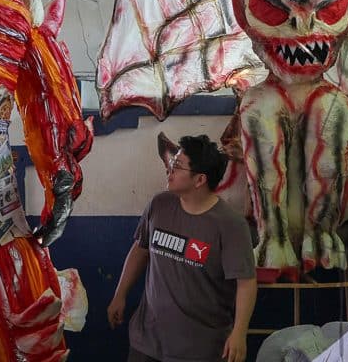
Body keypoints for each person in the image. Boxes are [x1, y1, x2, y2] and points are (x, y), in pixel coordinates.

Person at [108, 134, 258, 362]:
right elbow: (140, 249)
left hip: (200, 349)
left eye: (177, 166)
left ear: (200, 180)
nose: (170, 170)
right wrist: (120, 294)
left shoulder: (231, 225)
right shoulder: (159, 205)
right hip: (147, 341)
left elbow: (246, 283)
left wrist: (239, 332)